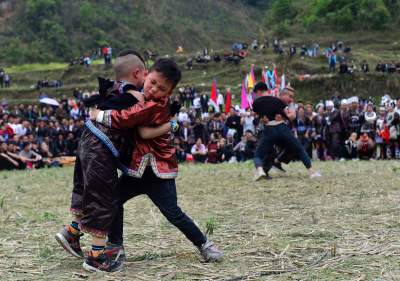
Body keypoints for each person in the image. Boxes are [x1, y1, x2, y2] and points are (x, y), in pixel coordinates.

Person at [92, 58, 223, 267]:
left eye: (161, 88)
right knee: (113, 200)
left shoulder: (154, 105)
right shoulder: (140, 96)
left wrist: (99, 114)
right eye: (152, 82)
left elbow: (128, 118)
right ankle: (115, 246)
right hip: (136, 170)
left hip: (158, 172)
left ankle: (205, 244)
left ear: (169, 93)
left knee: (173, 213)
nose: (153, 89)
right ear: (145, 75)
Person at [55, 51, 173, 273]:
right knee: (104, 198)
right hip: (102, 146)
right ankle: (97, 257)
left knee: (85, 190)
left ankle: (71, 233)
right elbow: (144, 129)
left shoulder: (113, 88)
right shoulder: (138, 98)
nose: (151, 87)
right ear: (138, 73)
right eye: (149, 78)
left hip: (86, 139)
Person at [253, 86, 321, 180]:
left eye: (292, 97)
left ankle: (265, 169)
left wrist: (280, 117)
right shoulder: (278, 102)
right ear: (282, 94)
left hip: (272, 131)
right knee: (296, 148)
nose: (291, 99)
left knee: (260, 155)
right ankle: (311, 172)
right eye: (290, 96)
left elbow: (291, 116)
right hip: (278, 130)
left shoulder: (259, 103)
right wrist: (263, 119)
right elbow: (291, 116)